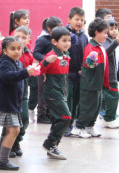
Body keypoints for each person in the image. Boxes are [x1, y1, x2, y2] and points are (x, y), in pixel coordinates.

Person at [0, 37, 37, 170]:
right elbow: (7, 76)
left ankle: (2, 159)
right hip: (6, 103)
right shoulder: (4, 62)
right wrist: (25, 73)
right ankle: (2, 160)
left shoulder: (16, 62)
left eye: (19, 48)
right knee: (14, 129)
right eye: (12, 49)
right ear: (4, 50)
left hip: (12, 103)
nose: (17, 51)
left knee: (12, 130)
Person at [73, 18, 110, 138]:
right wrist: (91, 62)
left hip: (97, 83)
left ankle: (90, 126)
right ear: (96, 32)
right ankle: (79, 127)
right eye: (104, 32)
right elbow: (87, 63)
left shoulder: (100, 47)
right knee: (88, 106)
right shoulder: (91, 47)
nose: (106, 35)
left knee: (97, 106)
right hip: (90, 83)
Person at [40, 26, 72, 160]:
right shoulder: (51, 56)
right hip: (53, 94)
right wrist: (46, 62)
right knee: (66, 118)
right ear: (54, 42)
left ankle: (53, 148)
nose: (67, 43)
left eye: (69, 40)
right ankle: (49, 143)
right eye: (64, 40)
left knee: (57, 120)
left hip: (62, 93)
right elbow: (40, 69)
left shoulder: (65, 55)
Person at [32, 17, 63, 123]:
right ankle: (41, 115)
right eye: (55, 28)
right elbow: (36, 53)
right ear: (48, 28)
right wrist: (46, 60)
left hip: (55, 71)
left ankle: (50, 114)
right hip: (44, 70)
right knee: (43, 93)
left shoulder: (58, 40)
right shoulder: (42, 39)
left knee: (53, 92)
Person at [65, 7, 88, 137]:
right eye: (76, 19)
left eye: (82, 20)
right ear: (69, 19)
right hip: (67, 73)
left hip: (80, 73)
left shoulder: (84, 36)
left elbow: (86, 54)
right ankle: (65, 124)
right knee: (68, 99)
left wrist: (84, 67)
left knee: (77, 100)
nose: (79, 22)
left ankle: (72, 122)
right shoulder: (65, 34)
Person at [101, 19, 119, 129]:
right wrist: (115, 43)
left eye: (116, 28)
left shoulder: (118, 41)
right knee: (113, 96)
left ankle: (106, 116)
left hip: (114, 75)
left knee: (108, 97)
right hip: (108, 75)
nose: (114, 31)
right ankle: (109, 119)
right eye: (111, 29)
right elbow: (105, 53)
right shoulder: (107, 41)